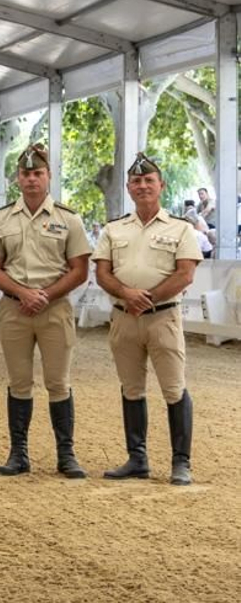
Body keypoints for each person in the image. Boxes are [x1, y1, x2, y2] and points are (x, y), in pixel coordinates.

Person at [0, 143, 91, 478]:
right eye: (26, 174)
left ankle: (66, 455)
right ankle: (18, 453)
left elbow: (79, 269)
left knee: (58, 382)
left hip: (55, 310)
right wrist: (23, 294)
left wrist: (43, 295)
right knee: (19, 382)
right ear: (18, 178)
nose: (31, 180)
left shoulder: (68, 219)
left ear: (49, 176)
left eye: (37, 173)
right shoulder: (1, 219)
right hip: (15, 310)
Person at [93, 153, 202, 485]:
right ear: (128, 188)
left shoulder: (181, 229)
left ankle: (180, 462)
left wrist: (148, 297)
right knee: (131, 388)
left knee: (174, 388)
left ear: (161, 186)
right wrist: (127, 294)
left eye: (148, 180)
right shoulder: (113, 229)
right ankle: (137, 459)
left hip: (163, 318)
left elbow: (186, 274)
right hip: (124, 318)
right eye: (136, 182)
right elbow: (102, 273)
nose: (142, 186)